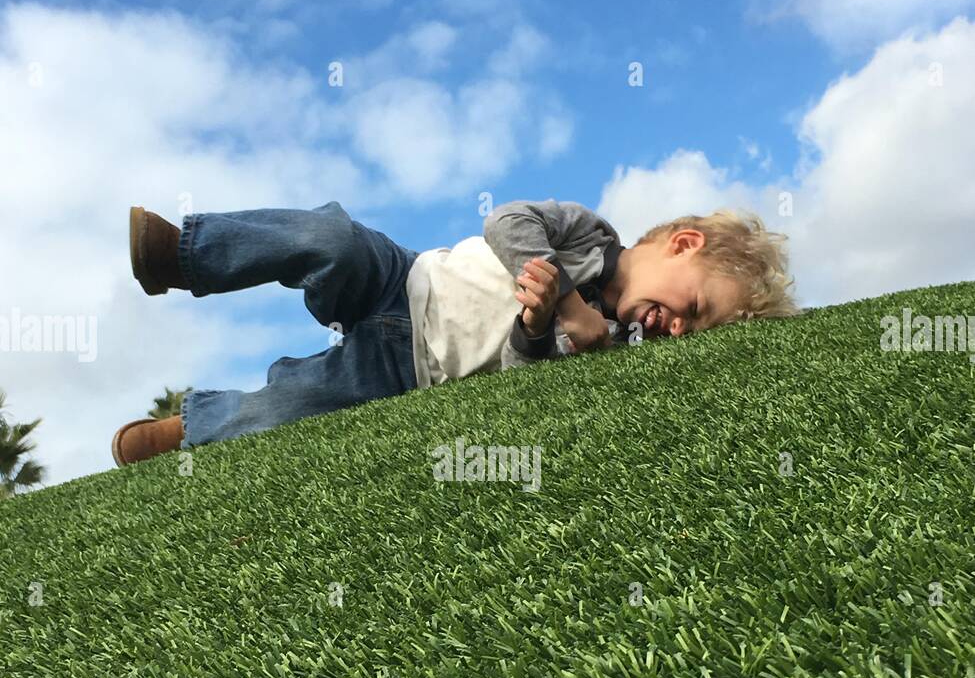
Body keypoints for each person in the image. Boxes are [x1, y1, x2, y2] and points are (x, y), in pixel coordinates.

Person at [112, 199, 799, 466]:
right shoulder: (591, 236)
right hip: (403, 280)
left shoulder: (609, 349)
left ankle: (190, 427)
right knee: (332, 239)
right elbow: (506, 222)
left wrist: (541, 334)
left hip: (404, 374)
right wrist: (558, 294)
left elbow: (513, 379)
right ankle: (183, 252)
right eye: (696, 310)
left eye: (689, 335)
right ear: (681, 244)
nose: (676, 331)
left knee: (290, 411)